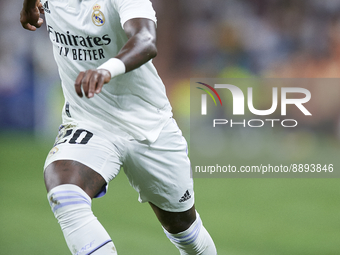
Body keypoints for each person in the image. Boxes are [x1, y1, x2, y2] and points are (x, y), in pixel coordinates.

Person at [20, 0, 217, 254]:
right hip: (88, 121)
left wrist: (106, 71)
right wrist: (28, 6)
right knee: (64, 189)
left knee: (184, 230)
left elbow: (146, 40)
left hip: (148, 125)